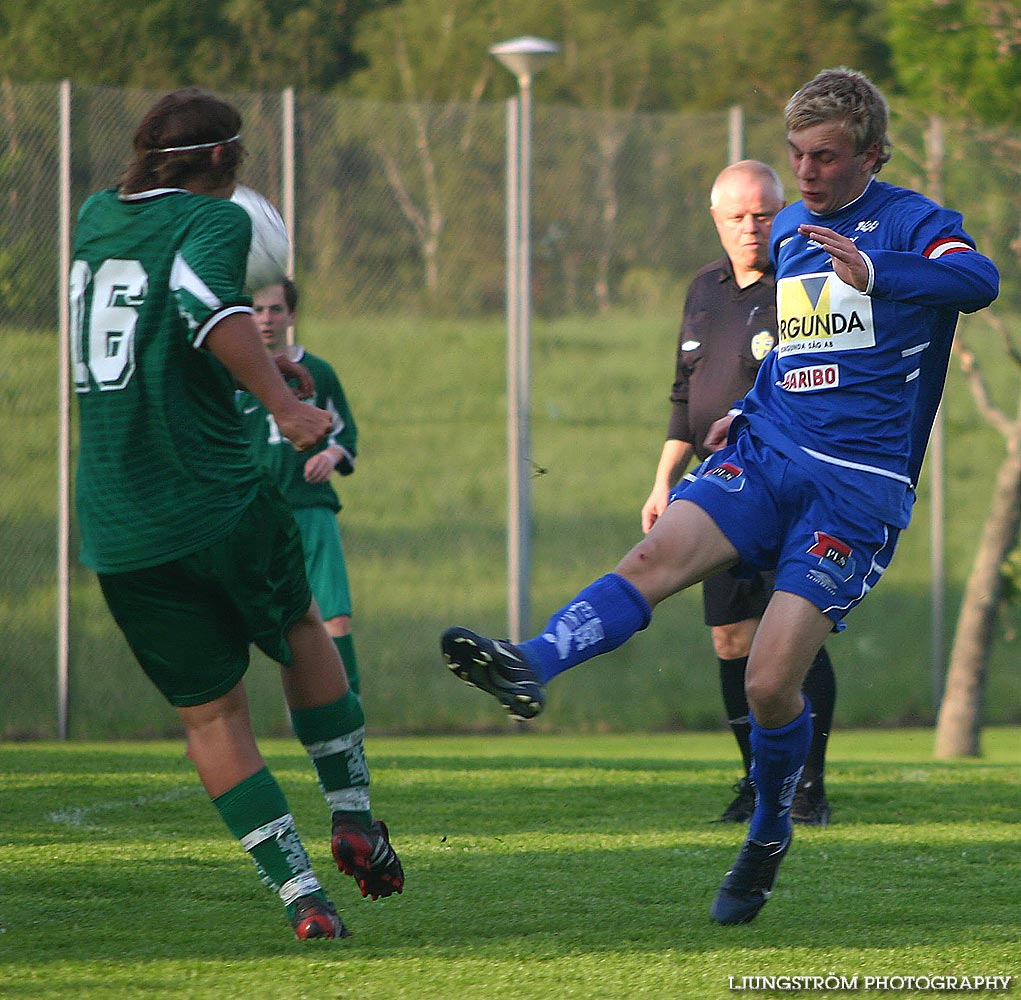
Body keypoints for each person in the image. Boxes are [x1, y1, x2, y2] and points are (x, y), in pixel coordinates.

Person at [442, 67, 998, 925]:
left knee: (773, 683)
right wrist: (747, 401)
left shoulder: (914, 222)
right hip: (768, 451)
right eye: (796, 156)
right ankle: (532, 661)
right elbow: (797, 346)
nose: (805, 175)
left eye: (824, 157)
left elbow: (978, 281)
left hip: (856, 491)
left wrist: (879, 272)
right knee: (655, 556)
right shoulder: (791, 237)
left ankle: (771, 825)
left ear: (871, 156)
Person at [70, 87, 403, 941]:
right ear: (225, 159)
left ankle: (303, 899)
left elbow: (157, 337)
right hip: (213, 495)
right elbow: (205, 305)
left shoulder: (96, 217)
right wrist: (286, 408)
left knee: (211, 718)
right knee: (298, 627)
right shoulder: (216, 223)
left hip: (118, 526)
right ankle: (354, 815)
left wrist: (254, 373)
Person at [640, 160, 836, 827]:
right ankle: (756, 780)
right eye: (737, 217)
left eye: (763, 214)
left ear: (783, 214)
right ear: (716, 220)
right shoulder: (702, 288)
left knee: (792, 635)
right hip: (718, 489)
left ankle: (805, 787)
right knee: (729, 637)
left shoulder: (805, 282)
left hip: (792, 484)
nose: (751, 228)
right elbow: (681, 393)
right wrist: (664, 480)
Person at [239, 279, 364, 697]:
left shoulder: (319, 374)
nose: (266, 319)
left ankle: (349, 708)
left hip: (311, 510)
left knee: (333, 616)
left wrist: (329, 456)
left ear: (291, 316)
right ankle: (217, 721)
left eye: (275, 310)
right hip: (253, 515)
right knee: (252, 620)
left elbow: (346, 437)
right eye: (256, 310)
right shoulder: (232, 377)